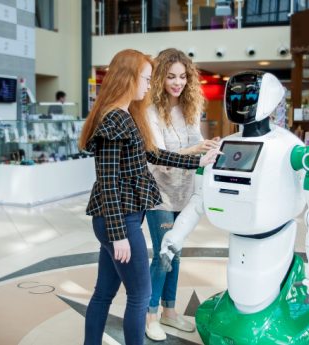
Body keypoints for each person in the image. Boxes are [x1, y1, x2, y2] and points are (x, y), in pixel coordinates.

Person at [78, 49, 220, 345]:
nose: (148, 84)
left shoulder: (127, 116)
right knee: (140, 295)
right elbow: (107, 183)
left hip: (120, 219)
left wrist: (198, 162)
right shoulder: (114, 120)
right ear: (128, 79)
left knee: (104, 293)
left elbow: (153, 153)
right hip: (118, 221)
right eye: (145, 78)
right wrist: (119, 235)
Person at [145, 48, 220, 341]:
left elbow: (196, 140)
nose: (177, 82)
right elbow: (159, 156)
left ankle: (170, 312)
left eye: (182, 77)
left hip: (184, 192)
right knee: (163, 253)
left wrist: (210, 144)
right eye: (171, 76)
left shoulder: (189, 109)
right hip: (159, 194)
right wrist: (196, 151)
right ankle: (150, 315)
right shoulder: (150, 111)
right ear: (160, 77)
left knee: (175, 253)